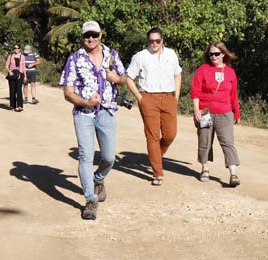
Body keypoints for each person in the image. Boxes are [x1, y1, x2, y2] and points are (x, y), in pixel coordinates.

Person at [60, 20, 127, 221]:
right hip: (83, 114)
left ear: (100, 36)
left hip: (106, 111)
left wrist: (116, 79)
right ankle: (90, 199)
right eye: (87, 35)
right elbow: (67, 92)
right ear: (82, 37)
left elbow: (124, 78)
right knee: (85, 156)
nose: (91, 39)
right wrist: (86, 103)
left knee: (109, 157)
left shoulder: (112, 55)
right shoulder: (74, 59)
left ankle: (99, 179)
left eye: (94, 35)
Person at [125, 28, 182, 186]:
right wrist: (139, 97)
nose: (154, 43)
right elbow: (129, 77)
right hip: (148, 97)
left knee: (170, 134)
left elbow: (177, 74)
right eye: (151, 41)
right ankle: (158, 173)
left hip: (169, 97)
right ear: (147, 41)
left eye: (157, 41)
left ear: (162, 40)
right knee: (152, 136)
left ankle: (156, 156)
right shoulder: (140, 56)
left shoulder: (171, 54)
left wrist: (176, 95)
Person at [191, 41, 242, 186]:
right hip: (205, 112)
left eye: (216, 54)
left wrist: (236, 113)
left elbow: (233, 95)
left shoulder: (230, 72)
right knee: (204, 141)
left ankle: (233, 174)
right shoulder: (203, 69)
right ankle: (205, 168)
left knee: (227, 142)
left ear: (223, 54)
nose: (213, 56)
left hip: (225, 112)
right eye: (211, 54)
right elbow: (196, 90)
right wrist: (196, 110)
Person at [5, 43, 27, 112]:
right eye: (15, 48)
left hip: (20, 74)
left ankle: (19, 106)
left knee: (19, 90)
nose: (16, 49)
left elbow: (23, 66)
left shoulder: (22, 56)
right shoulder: (10, 56)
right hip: (12, 74)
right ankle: (12, 106)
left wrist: (25, 76)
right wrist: (9, 71)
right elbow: (6, 65)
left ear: (20, 49)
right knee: (12, 90)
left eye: (17, 48)